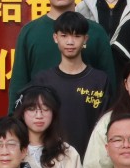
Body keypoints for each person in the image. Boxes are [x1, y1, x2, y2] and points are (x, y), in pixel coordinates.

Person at [8, 0, 117, 107]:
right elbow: (18, 85)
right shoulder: (30, 32)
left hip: (86, 116)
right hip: (41, 116)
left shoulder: (95, 32)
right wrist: (14, 119)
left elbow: (110, 85)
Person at [31, 10, 112, 151]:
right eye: (64, 36)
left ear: (85, 39)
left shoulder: (100, 80)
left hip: (91, 157)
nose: (70, 42)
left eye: (77, 36)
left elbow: (107, 124)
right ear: (55, 38)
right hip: (52, 156)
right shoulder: (43, 80)